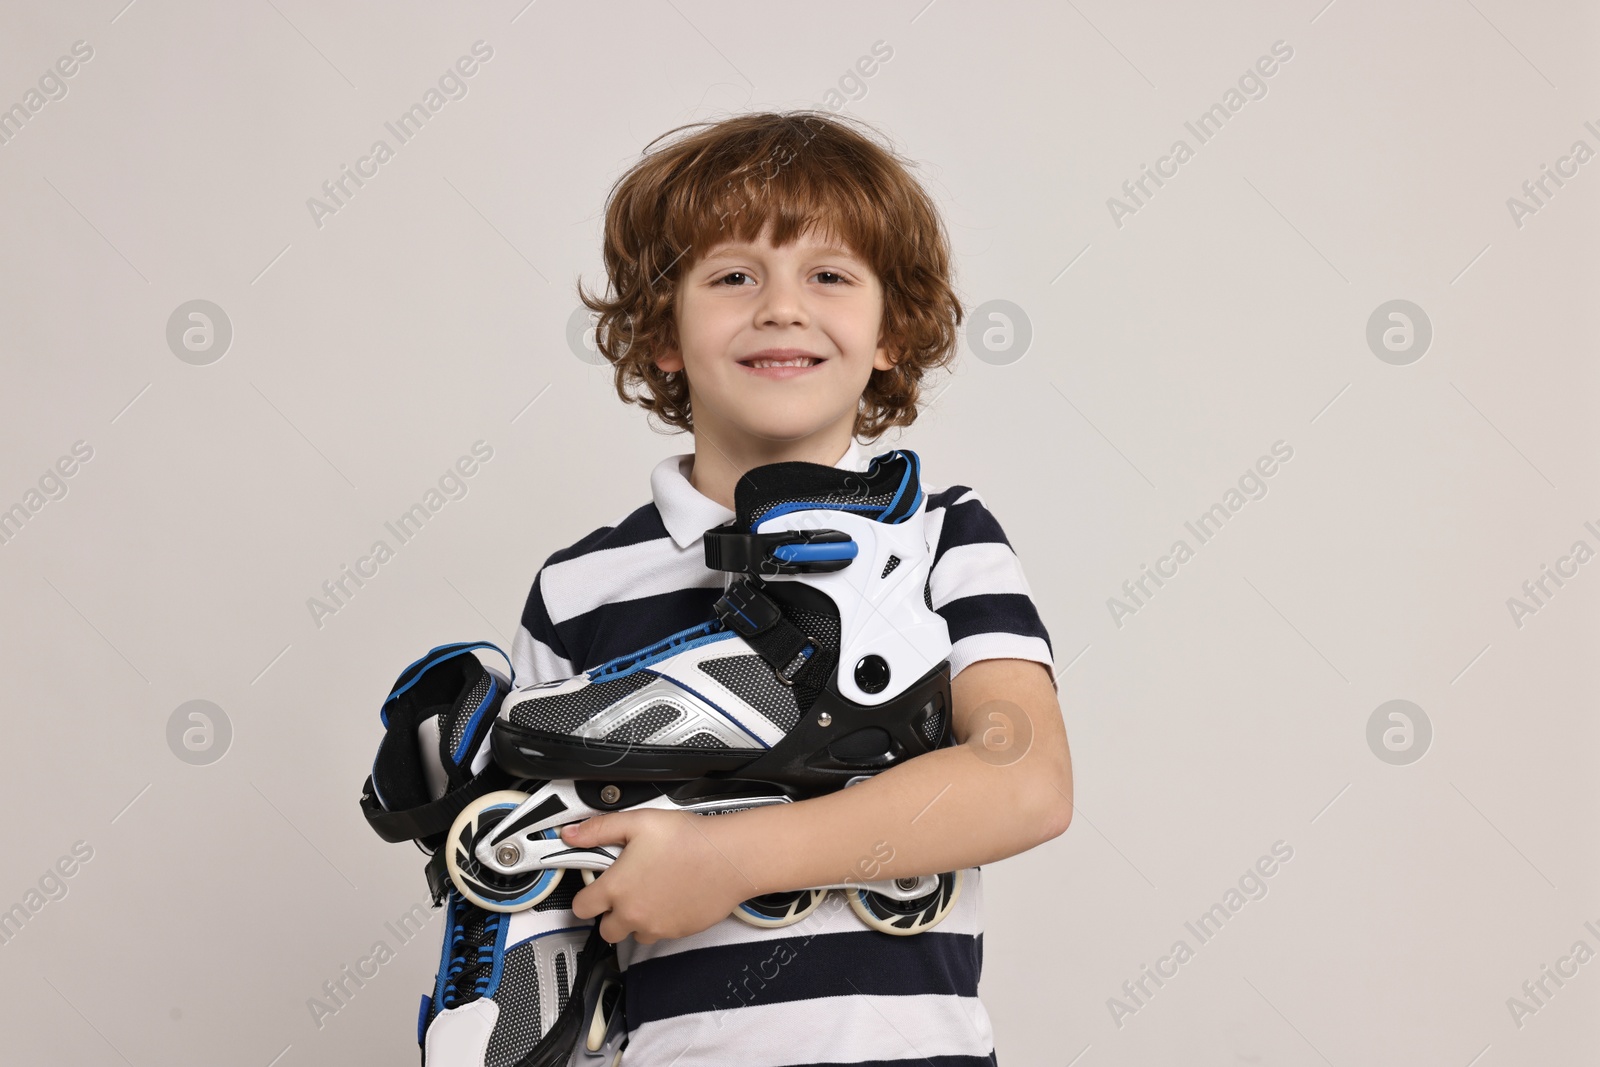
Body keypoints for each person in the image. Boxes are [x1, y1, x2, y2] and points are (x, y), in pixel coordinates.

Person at [506, 110, 1073, 1065]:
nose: (780, 307)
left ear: (891, 332)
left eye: (829, 275)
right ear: (663, 334)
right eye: (733, 276)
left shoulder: (942, 536)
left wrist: (734, 859)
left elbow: (1026, 780)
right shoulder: (578, 590)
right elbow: (548, 881)